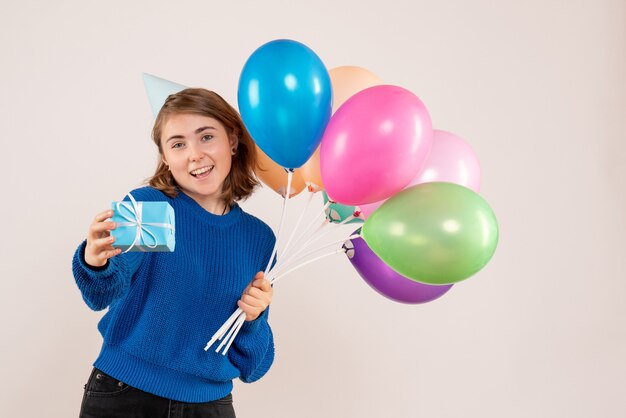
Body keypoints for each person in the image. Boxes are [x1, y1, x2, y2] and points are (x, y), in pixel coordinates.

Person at [72, 88, 276, 417]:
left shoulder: (259, 239)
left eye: (206, 137)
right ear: (166, 156)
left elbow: (253, 365)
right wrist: (96, 261)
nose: (194, 154)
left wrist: (253, 320)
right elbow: (100, 294)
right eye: (178, 144)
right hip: (125, 396)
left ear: (232, 142)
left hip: (211, 407)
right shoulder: (150, 207)